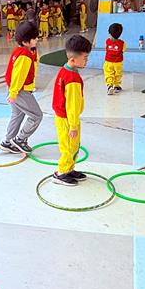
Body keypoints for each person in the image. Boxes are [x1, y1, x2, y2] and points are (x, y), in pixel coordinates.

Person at [52, 34, 92, 187]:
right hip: (68, 119)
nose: (87, 60)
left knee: (71, 145)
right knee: (70, 147)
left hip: (63, 118)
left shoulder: (65, 69)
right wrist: (73, 126)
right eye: (85, 57)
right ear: (73, 59)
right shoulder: (73, 79)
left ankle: (69, 169)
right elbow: (72, 105)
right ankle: (61, 173)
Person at [0, 21, 41, 155]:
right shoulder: (24, 56)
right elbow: (18, 76)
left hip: (15, 89)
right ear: (25, 41)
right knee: (36, 115)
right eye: (34, 38)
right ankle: (20, 139)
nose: (37, 39)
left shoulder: (21, 51)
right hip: (20, 91)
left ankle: (8, 141)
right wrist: (13, 93)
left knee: (17, 114)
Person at [103, 22, 125, 95]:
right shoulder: (122, 43)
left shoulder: (107, 41)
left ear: (110, 34)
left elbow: (106, 49)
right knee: (118, 74)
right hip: (118, 63)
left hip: (108, 62)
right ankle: (117, 86)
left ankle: (110, 85)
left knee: (109, 73)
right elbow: (123, 50)